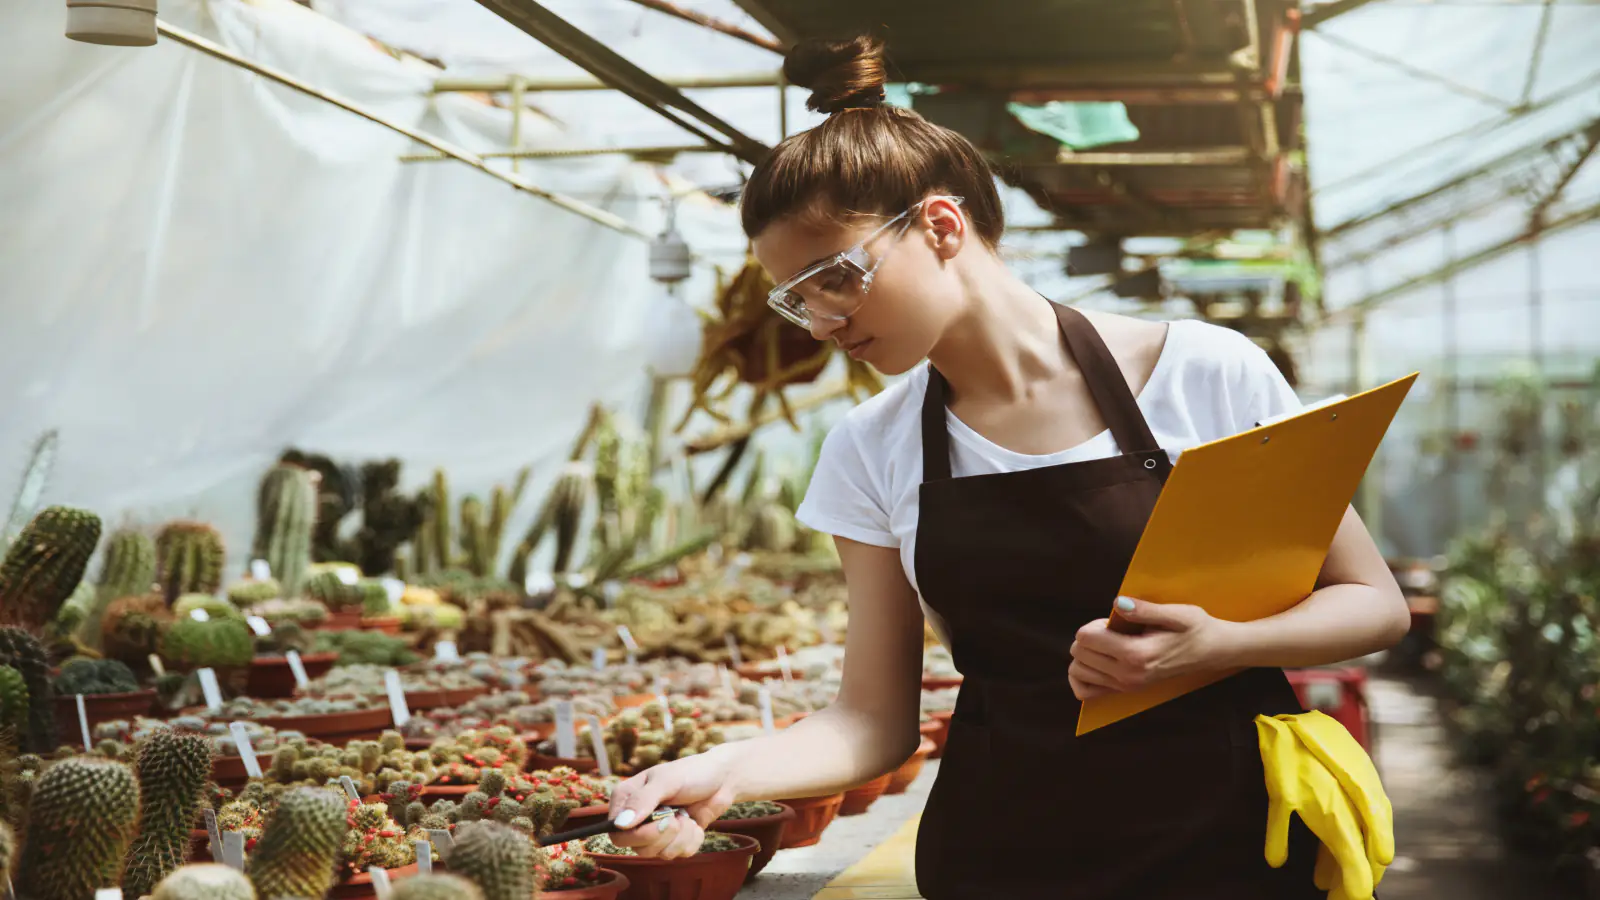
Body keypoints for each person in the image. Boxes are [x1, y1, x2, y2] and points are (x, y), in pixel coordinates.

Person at [604, 33, 1410, 899]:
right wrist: (726, 771)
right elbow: (872, 722)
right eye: (796, 300)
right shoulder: (869, 448)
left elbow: (1372, 603)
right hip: (1007, 851)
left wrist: (1223, 645)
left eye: (833, 278)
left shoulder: (1201, 374)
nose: (824, 322)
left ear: (941, 226)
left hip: (1226, 843)